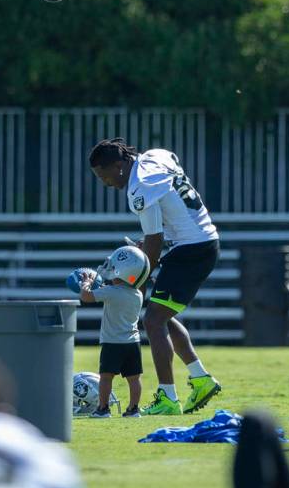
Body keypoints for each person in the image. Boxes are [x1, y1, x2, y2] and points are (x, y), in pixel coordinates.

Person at [89, 138, 221, 416]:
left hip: (191, 248)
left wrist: (136, 281)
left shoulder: (139, 188)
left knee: (153, 319)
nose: (106, 183)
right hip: (199, 241)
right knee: (162, 316)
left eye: (105, 175)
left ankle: (168, 398)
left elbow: (155, 238)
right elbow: (163, 220)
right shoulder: (154, 157)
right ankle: (200, 378)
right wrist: (150, 247)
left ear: (118, 165)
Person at [78, 246, 147, 418]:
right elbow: (116, 292)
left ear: (123, 272)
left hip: (112, 342)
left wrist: (85, 283)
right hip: (133, 342)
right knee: (134, 378)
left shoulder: (111, 292)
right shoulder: (138, 293)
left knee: (106, 377)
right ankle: (133, 409)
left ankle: (103, 409)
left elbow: (86, 297)